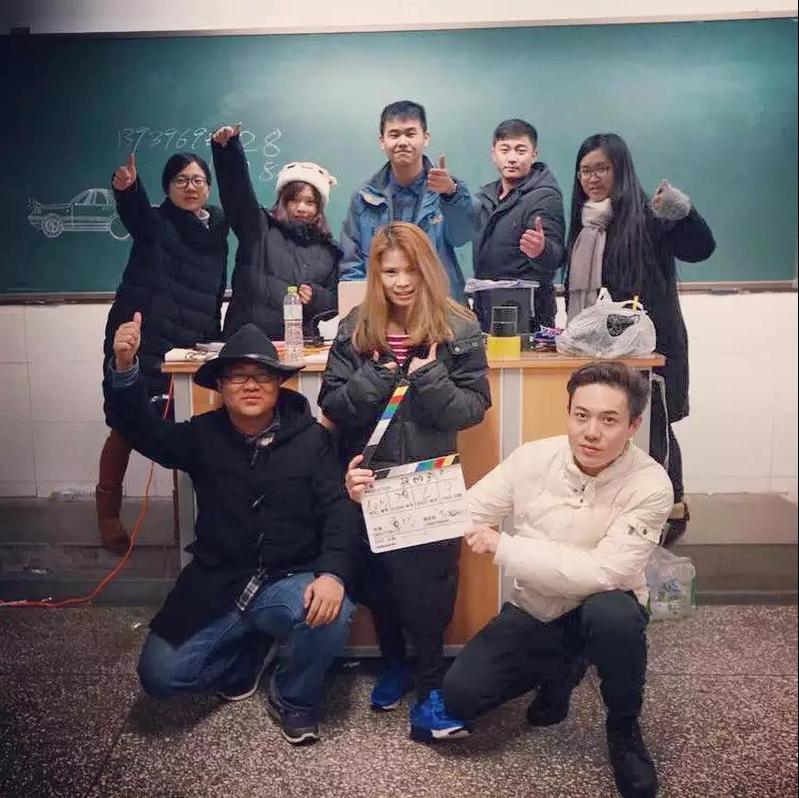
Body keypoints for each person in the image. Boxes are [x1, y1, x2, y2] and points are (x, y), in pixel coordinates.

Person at [347, 361, 672, 797]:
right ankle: (562, 671)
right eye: (581, 415)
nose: (591, 432)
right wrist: (375, 498)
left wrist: (505, 547)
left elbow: (606, 572)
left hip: (605, 602)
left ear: (633, 425)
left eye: (609, 420)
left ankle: (625, 729)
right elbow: (461, 513)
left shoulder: (651, 485)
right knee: (459, 695)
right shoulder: (532, 459)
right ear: (569, 413)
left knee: (613, 615)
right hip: (537, 607)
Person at [107, 315, 359, 745]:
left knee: (332, 610)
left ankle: (294, 697)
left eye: (262, 376)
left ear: (278, 384)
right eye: (238, 376)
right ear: (221, 387)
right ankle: (249, 655)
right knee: (159, 676)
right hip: (218, 583)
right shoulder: (202, 435)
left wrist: (333, 575)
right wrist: (125, 367)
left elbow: (339, 510)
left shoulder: (312, 440)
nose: (251, 385)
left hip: (287, 579)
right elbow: (140, 430)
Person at [319, 222, 491, 738]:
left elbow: (473, 409)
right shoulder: (355, 327)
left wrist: (429, 375)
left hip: (428, 484)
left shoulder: (458, 326)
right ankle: (395, 663)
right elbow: (332, 405)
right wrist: (376, 375)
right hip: (372, 483)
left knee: (431, 587)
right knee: (382, 585)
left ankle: (431, 680)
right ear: (376, 274)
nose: (401, 281)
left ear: (428, 269)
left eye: (411, 269)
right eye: (390, 271)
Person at [564, 133, 715, 546]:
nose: (592, 178)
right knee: (612, 426)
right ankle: (620, 510)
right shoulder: (584, 225)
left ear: (621, 171)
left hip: (650, 349)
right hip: (599, 350)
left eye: (602, 169)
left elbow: (701, 248)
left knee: (653, 426)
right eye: (585, 171)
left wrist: (682, 213)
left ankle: (671, 509)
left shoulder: (649, 216)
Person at [97, 152, 228, 554]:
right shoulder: (156, 223)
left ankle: (185, 515)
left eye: (198, 180)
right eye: (181, 180)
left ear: (208, 187)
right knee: (125, 423)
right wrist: (128, 190)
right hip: (142, 337)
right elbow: (137, 215)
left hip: (191, 344)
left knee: (185, 426)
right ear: (167, 188)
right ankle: (107, 515)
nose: (190, 187)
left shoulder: (217, 228)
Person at [212, 124, 341, 340]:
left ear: (319, 207)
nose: (301, 208)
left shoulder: (329, 251)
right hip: (247, 344)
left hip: (300, 347)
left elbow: (336, 302)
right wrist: (228, 151)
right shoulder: (258, 226)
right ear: (282, 200)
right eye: (294, 200)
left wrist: (316, 297)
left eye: (310, 202)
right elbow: (236, 192)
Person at [339, 100, 477, 301]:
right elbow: (352, 264)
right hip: (385, 307)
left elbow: (462, 237)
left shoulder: (446, 190)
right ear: (382, 141)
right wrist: (364, 308)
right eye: (394, 135)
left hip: (438, 304)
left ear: (425, 138)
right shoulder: (364, 197)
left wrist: (451, 194)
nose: (402, 142)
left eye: (410, 134)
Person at [472, 118, 566, 328]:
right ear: (494, 154)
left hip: (527, 316)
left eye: (520, 150)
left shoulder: (544, 196)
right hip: (486, 311)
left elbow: (556, 255)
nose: (512, 158)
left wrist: (541, 250)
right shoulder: (485, 197)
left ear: (534, 154)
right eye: (505, 150)